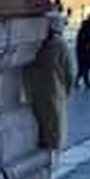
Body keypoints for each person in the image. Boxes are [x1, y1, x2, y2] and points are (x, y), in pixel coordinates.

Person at [23, 12, 74, 160]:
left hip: (35, 90)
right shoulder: (60, 44)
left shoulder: (35, 43)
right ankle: (51, 158)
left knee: (41, 123)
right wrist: (67, 91)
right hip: (56, 90)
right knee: (55, 127)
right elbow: (69, 71)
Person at [75, 12, 90, 88]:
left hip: (89, 50)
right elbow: (83, 39)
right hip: (84, 51)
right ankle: (79, 81)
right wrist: (86, 45)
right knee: (83, 67)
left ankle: (84, 81)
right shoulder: (86, 28)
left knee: (86, 66)